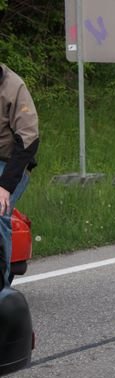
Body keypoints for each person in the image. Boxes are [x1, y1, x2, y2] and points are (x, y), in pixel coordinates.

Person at [0, 63, 39, 286]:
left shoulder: (13, 86)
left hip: (8, 163)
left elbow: (29, 138)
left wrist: (5, 186)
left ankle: (2, 289)